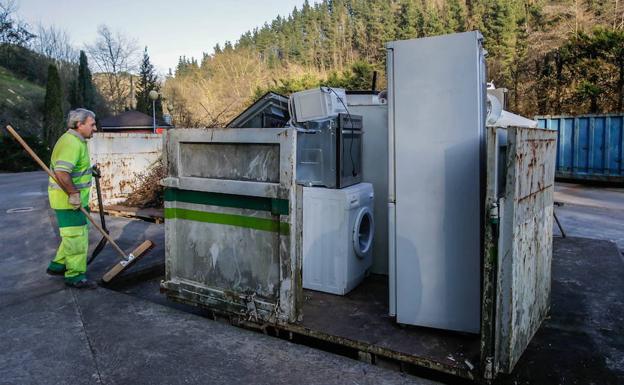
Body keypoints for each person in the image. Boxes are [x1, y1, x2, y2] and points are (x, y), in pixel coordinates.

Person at [46, 108, 98, 289]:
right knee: (76, 238)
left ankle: (58, 265)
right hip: (68, 202)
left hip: (75, 201)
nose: (95, 128)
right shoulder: (71, 143)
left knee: (74, 234)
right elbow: (62, 172)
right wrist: (74, 195)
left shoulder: (77, 141)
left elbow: (75, 169)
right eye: (92, 124)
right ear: (79, 124)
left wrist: (91, 171)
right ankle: (75, 275)